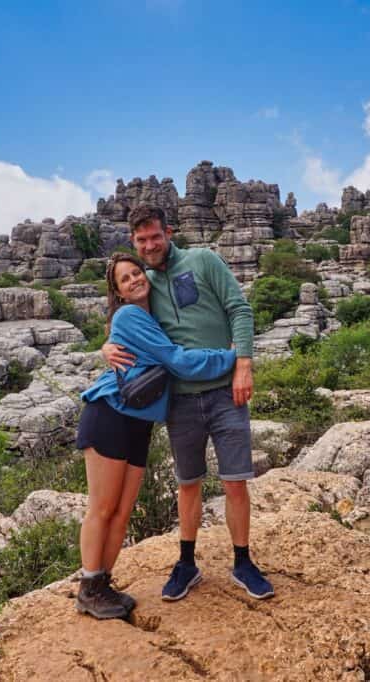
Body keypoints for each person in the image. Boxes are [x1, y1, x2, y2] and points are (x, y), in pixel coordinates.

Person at [103, 205, 274, 603]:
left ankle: (243, 561)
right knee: (188, 483)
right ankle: (186, 562)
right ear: (134, 242)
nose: (149, 245)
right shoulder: (142, 283)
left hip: (225, 392)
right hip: (179, 399)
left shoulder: (203, 260)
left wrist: (244, 364)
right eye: (141, 240)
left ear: (169, 232)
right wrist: (106, 347)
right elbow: (125, 322)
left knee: (234, 482)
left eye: (155, 237)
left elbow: (240, 309)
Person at [75, 252, 237, 620]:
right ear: (117, 291)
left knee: (122, 511)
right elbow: (176, 360)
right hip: (109, 415)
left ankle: (102, 584)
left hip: (138, 423)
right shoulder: (130, 315)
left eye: (137, 272)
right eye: (124, 279)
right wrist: (230, 357)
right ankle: (87, 588)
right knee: (102, 508)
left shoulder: (153, 316)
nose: (134, 279)